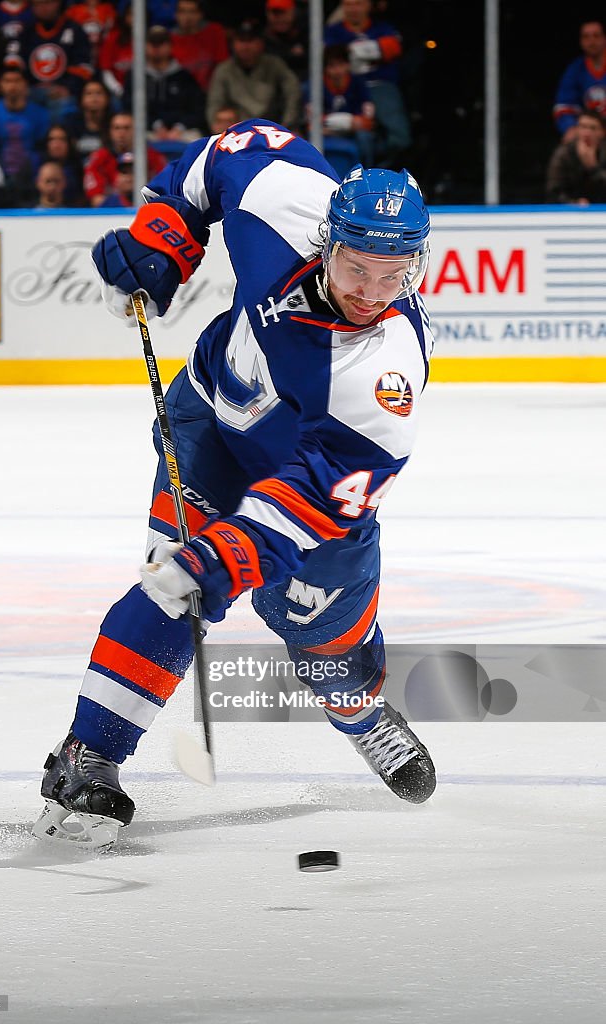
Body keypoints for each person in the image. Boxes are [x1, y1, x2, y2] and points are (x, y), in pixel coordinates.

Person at [32, 117, 437, 848]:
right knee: (169, 587)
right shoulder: (284, 198)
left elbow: (313, 497)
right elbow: (228, 151)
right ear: (326, 242)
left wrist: (225, 559)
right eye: (356, 268)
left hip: (304, 494)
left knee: (323, 633)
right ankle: (88, 753)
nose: (372, 291)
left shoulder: (386, 373)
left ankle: (360, 714)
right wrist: (163, 236)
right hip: (211, 421)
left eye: (394, 274)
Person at [324, 0, 411, 165]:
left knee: (400, 138)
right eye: (348, 4)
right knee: (355, 136)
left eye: (358, 3)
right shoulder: (333, 32)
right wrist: (374, 50)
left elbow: (394, 47)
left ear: (369, 5)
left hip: (379, 86)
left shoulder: (382, 28)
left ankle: (378, 170)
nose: (353, 9)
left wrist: (352, 50)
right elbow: (328, 57)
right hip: (347, 89)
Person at [206, 19, 300, 131]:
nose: (245, 46)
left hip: (271, 130)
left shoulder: (274, 65)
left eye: (250, 40)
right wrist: (219, 129)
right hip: (236, 132)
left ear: (261, 43)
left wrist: (286, 125)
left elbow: (292, 92)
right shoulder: (224, 69)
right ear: (233, 43)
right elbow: (214, 104)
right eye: (241, 40)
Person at [0, 64, 50, 201]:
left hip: (32, 179)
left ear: (25, 85)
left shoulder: (40, 113)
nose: (12, 86)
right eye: (7, 81)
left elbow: (41, 149)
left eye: (17, 81)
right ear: (1, 85)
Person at [121, 24, 207, 142]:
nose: (156, 48)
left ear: (170, 46)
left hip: (182, 131)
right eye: (152, 43)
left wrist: (179, 127)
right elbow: (129, 108)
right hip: (147, 130)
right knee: (132, 139)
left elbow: (197, 110)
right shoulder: (135, 76)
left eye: (161, 43)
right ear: (145, 46)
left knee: (197, 141)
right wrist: (155, 125)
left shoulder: (184, 77)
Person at [82, 110, 166, 206]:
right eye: (117, 128)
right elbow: (96, 200)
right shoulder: (98, 158)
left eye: (127, 128)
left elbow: (163, 193)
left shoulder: (153, 157)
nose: (121, 133)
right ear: (110, 131)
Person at [553, 20, 606, 141]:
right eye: (586, 37)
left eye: (596, 36)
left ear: (604, 39)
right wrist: (571, 127)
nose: (592, 41)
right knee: (569, 141)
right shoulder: (575, 69)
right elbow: (564, 107)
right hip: (588, 132)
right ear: (581, 42)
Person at [546, 108, 606, 204]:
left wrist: (594, 168)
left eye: (593, 128)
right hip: (570, 212)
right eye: (583, 127)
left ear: (603, 132)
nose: (587, 133)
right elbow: (554, 191)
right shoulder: (564, 153)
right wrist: (573, 203)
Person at [171, 0, 229, 92]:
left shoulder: (214, 31)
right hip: (182, 96)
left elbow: (223, 67)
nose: (187, 17)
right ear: (176, 15)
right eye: (182, 11)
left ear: (201, 14)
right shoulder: (170, 39)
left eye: (192, 12)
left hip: (212, 93)